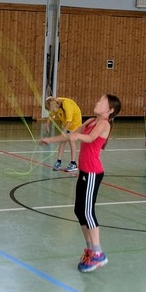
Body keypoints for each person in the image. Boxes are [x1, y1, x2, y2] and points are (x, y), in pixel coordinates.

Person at [40, 93, 121, 272]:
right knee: (79, 210)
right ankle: (91, 250)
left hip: (93, 172)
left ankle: (99, 254)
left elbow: (91, 138)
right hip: (84, 171)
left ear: (110, 110)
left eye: (101, 101)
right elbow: (70, 135)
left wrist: (78, 138)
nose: (97, 102)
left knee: (88, 212)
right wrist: (49, 140)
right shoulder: (91, 121)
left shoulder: (103, 124)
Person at [45, 94, 82, 172]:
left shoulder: (67, 105)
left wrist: (64, 131)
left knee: (71, 140)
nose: (51, 112)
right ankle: (58, 161)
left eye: (52, 110)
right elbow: (51, 115)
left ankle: (73, 163)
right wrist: (47, 125)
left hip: (75, 124)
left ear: (55, 107)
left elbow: (69, 120)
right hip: (66, 123)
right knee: (62, 142)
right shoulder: (55, 103)